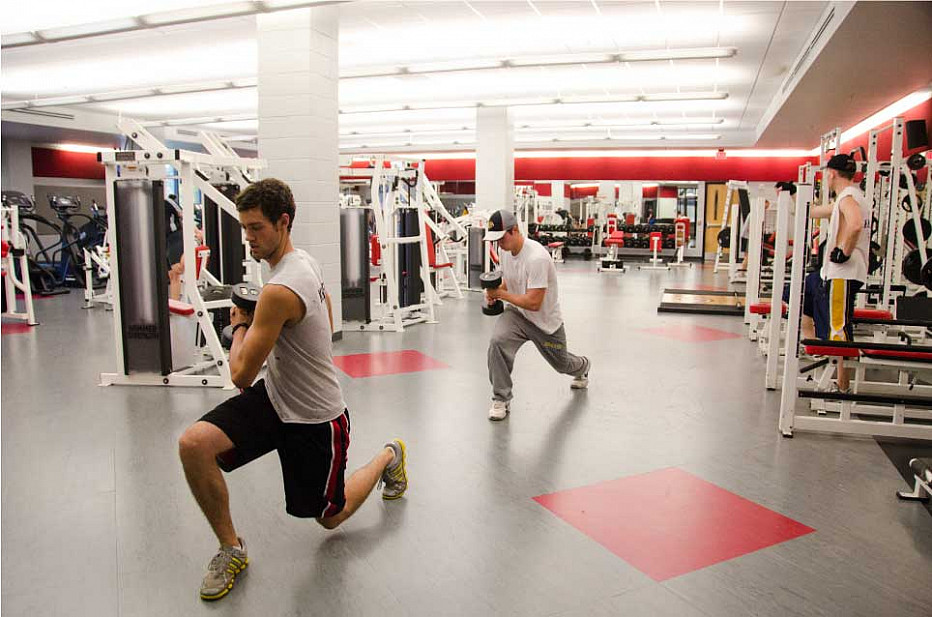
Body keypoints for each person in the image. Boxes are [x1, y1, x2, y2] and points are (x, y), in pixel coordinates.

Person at [177, 178, 408, 601]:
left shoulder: (280, 290)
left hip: (316, 417)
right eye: (244, 228)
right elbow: (325, 315)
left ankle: (389, 455)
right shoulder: (302, 262)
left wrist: (239, 325)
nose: (248, 238)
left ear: (283, 223)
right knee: (194, 444)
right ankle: (231, 548)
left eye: (257, 228)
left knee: (330, 518)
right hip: (277, 396)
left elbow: (241, 376)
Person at [483, 209, 590, 420]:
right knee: (498, 343)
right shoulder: (505, 251)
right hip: (517, 315)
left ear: (514, 230)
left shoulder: (536, 258)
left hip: (544, 322)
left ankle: (583, 365)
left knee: (562, 365)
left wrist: (501, 294)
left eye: (501, 238)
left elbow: (534, 303)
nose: (499, 244)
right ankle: (500, 398)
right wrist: (495, 294)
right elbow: (510, 281)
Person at [809, 154, 871, 391]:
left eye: (827, 174)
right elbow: (816, 212)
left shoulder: (847, 198)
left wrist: (843, 251)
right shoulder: (854, 196)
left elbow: (854, 224)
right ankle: (841, 383)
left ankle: (842, 387)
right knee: (840, 325)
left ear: (831, 174)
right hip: (847, 274)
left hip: (843, 273)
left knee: (838, 329)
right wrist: (796, 196)